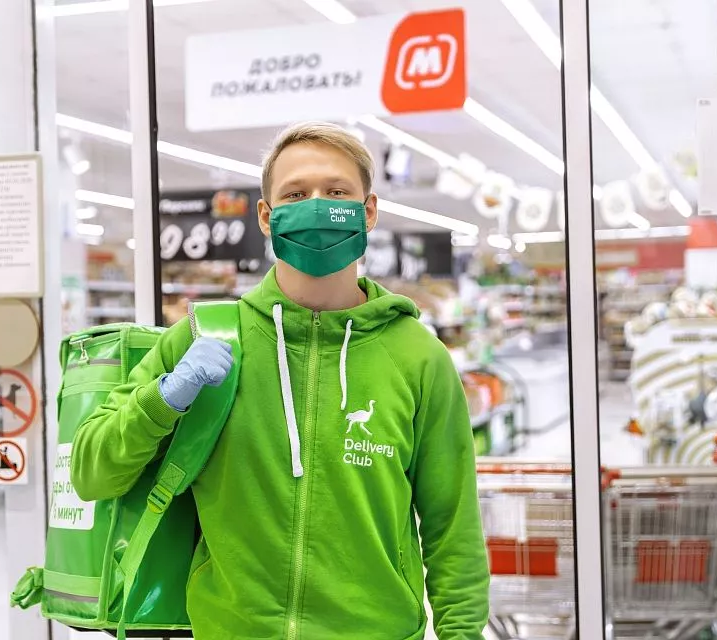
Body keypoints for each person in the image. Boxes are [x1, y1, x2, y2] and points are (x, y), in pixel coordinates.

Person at [71, 121, 490, 639]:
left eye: (336, 192)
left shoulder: (418, 356)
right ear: (267, 216)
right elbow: (91, 474)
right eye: (295, 194)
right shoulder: (204, 338)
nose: (316, 206)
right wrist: (162, 400)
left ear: (369, 211)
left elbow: (453, 527)